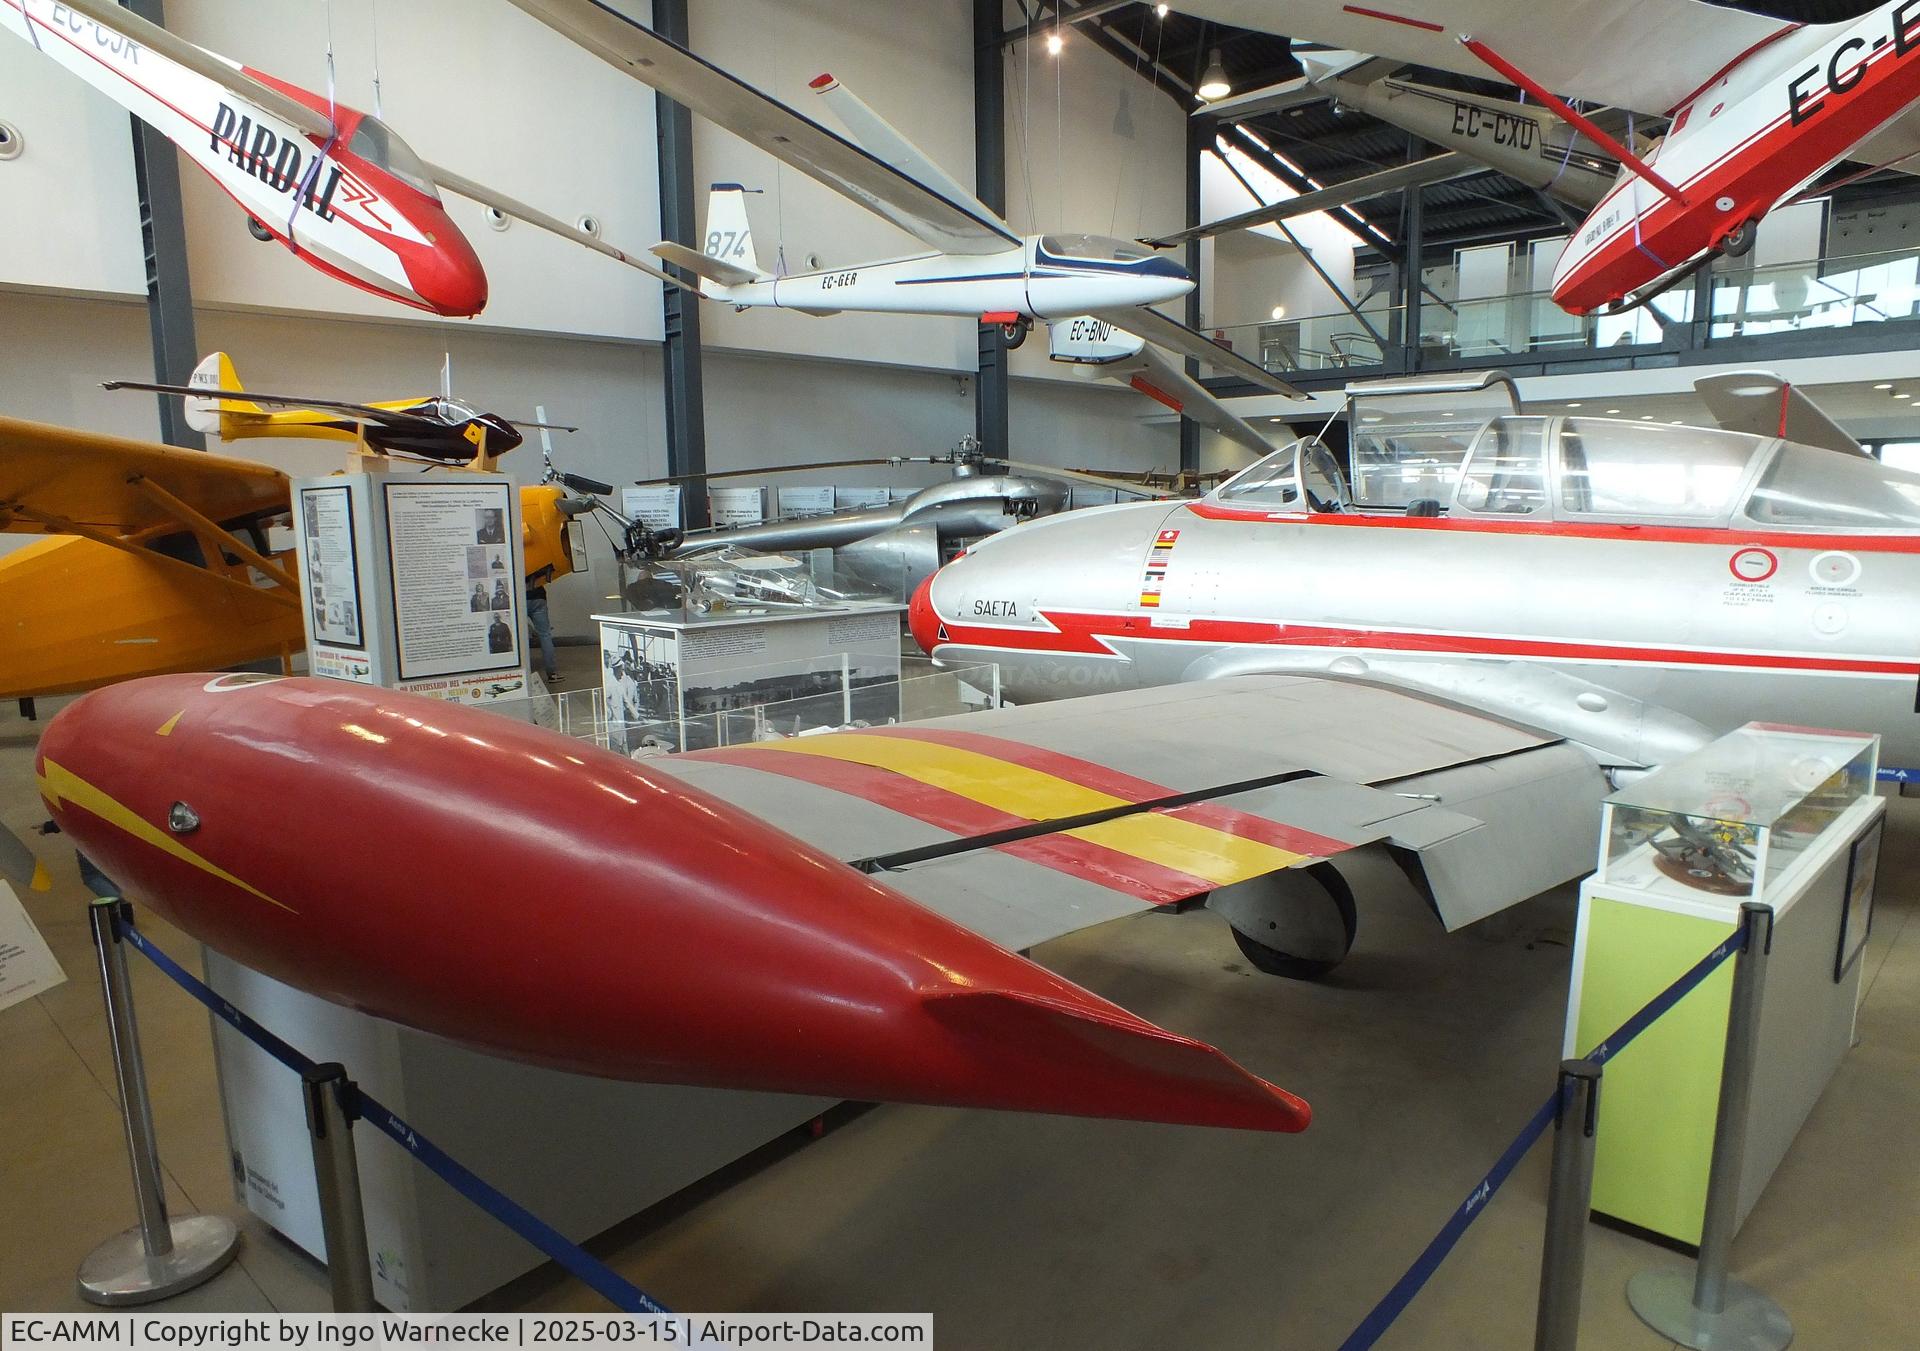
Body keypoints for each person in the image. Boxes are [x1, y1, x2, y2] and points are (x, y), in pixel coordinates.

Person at [526, 566, 558, 684]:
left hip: (519, 598)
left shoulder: (514, 553)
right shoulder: (539, 555)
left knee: (520, 638)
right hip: (538, 596)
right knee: (545, 635)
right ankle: (552, 674)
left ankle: (521, 674)